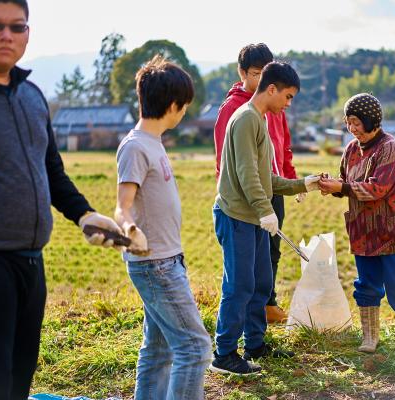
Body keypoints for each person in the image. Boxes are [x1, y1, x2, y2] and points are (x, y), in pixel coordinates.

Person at [0, 1, 121, 398]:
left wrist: (85, 215)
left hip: (30, 263)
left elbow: (51, 171)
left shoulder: (32, 95)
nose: (7, 34)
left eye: (17, 27)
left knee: (19, 377)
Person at [210, 61, 320, 375]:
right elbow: (247, 177)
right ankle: (225, 353)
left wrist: (302, 183)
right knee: (240, 285)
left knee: (261, 282)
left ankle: (255, 344)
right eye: (287, 96)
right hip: (236, 217)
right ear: (271, 89)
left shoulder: (258, 119)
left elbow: (266, 178)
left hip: (254, 218)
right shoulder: (245, 119)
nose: (288, 103)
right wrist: (265, 211)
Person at [114, 55, 212, 399]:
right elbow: (121, 207)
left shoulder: (153, 143)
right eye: (184, 105)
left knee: (158, 350)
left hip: (167, 260)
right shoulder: (135, 147)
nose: (185, 111)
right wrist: (130, 230)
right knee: (195, 347)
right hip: (156, 264)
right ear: (173, 105)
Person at [319, 93, 395, 353]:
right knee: (367, 284)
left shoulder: (389, 147)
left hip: (393, 231)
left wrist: (342, 186)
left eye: (356, 122)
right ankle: (370, 338)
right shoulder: (352, 149)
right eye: (348, 122)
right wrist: (332, 186)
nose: (352, 128)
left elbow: (378, 188)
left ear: (371, 120)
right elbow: (346, 182)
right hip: (364, 231)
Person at [214, 43, 300, 324]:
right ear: (242, 72)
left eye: (265, 72)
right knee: (243, 272)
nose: (260, 78)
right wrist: (234, 196)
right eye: (254, 73)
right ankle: (230, 341)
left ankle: (265, 310)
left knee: (269, 254)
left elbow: (283, 146)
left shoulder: (275, 107)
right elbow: (230, 161)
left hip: (273, 186)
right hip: (245, 198)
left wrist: (294, 180)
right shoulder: (237, 110)